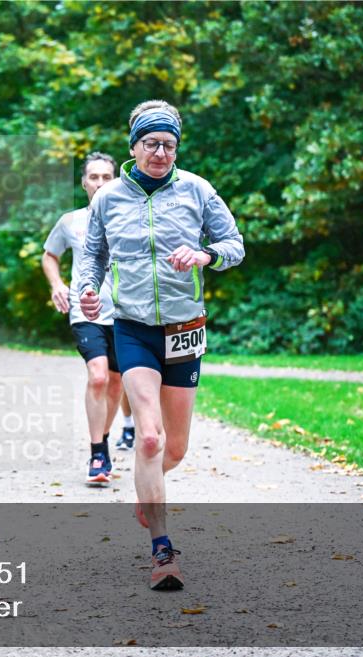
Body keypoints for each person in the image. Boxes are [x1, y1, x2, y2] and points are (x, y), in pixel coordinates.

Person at [78, 100, 244, 590]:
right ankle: (163, 551)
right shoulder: (107, 200)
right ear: (134, 147)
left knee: (175, 447)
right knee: (148, 438)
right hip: (132, 328)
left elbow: (234, 245)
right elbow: (92, 255)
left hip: (184, 328)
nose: (160, 153)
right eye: (151, 144)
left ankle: (146, 491)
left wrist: (204, 254)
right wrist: (89, 292)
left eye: (168, 145)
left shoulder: (197, 190)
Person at [43, 151, 134, 486]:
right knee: (97, 377)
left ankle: (104, 439)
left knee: (115, 383)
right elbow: (49, 255)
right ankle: (97, 451)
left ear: (116, 181)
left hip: (126, 313)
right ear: (84, 182)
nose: (99, 183)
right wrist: (57, 284)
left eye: (105, 177)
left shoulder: (130, 219)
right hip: (86, 310)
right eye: (93, 177)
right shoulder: (71, 222)